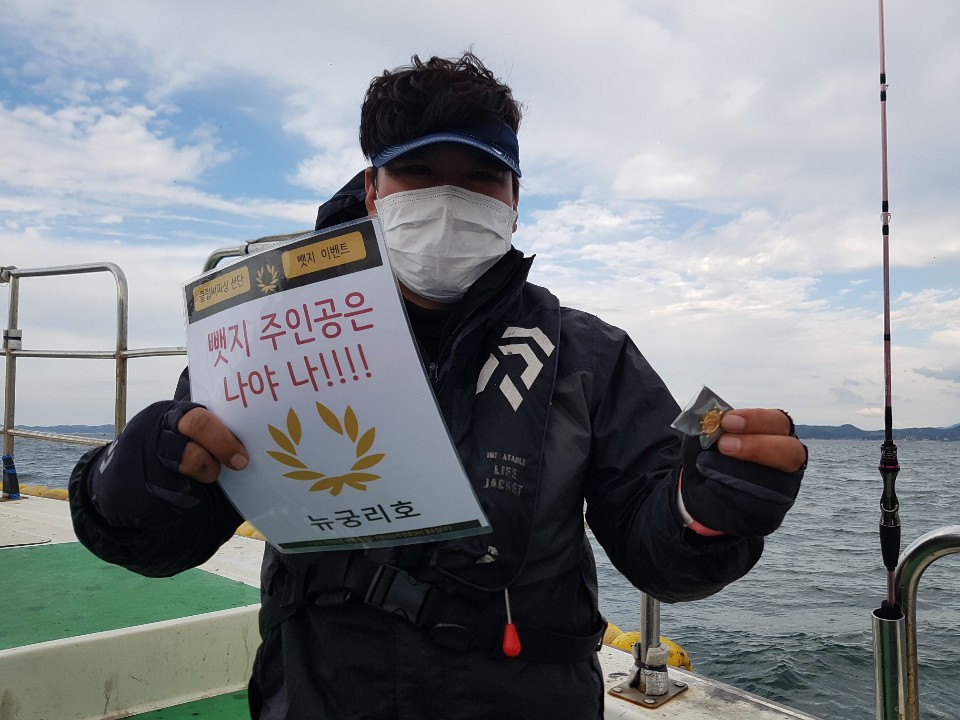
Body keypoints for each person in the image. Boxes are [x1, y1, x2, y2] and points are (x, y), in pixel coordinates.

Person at [69, 51, 807, 719]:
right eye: (417, 173)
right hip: (319, 697)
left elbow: (659, 555)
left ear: (514, 199)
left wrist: (709, 509)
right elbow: (162, 542)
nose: (448, 200)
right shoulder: (269, 339)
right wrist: (136, 484)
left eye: (481, 177)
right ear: (372, 190)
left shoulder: (590, 355)